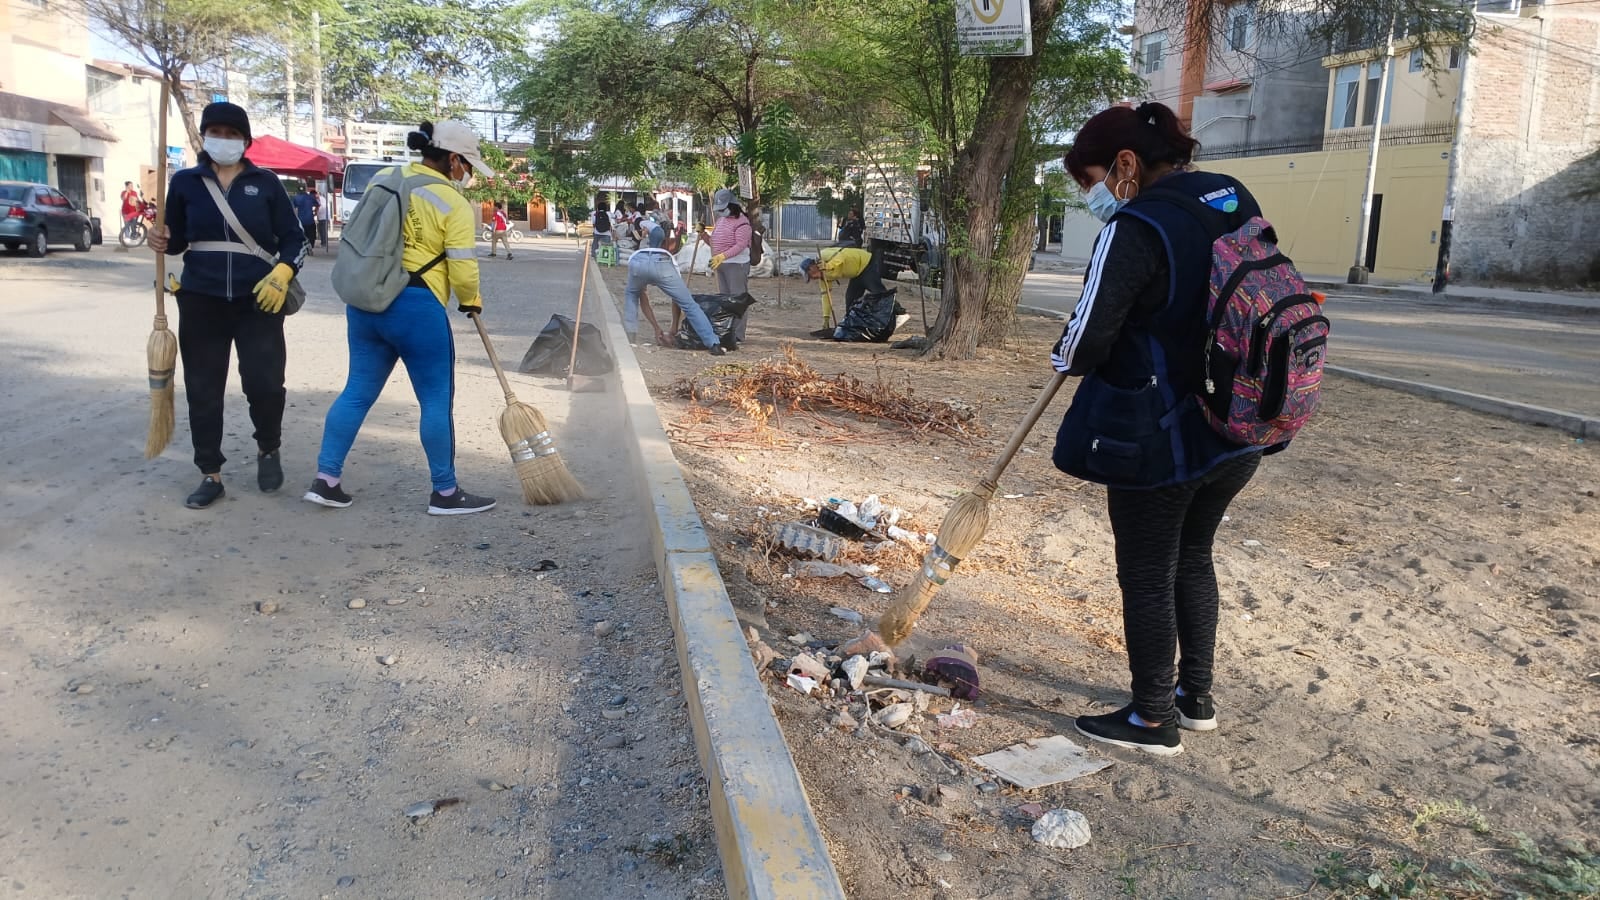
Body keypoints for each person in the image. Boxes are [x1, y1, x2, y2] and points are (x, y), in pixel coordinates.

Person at [1050, 101, 1277, 756]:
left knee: (1148, 571)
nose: (1093, 197)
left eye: (1091, 181)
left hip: (1161, 439)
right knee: (1193, 555)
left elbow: (1083, 344)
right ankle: (1193, 697)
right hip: (1237, 426)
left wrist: (1063, 354)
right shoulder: (1229, 195)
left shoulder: (1135, 226)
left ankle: (1152, 719)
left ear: (1125, 164)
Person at [303, 120, 497, 516]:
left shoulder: (383, 180)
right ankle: (445, 492)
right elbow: (463, 268)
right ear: (453, 159)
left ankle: (326, 480)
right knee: (435, 400)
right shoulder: (452, 202)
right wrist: (471, 301)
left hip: (368, 301)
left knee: (357, 392)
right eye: (467, 164)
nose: (468, 173)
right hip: (417, 308)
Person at [146, 101, 305, 509]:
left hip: (260, 299)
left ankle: (268, 447)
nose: (224, 140)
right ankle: (210, 473)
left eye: (233, 134)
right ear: (204, 136)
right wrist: (161, 238)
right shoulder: (185, 182)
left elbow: (294, 239)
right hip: (201, 299)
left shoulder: (266, 183)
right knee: (203, 389)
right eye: (216, 132)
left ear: (245, 141)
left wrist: (283, 272)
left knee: (265, 385)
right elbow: (177, 240)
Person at [623, 204, 724, 355]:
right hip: (662, 266)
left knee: (631, 295)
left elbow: (643, 299)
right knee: (690, 304)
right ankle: (713, 344)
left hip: (638, 263)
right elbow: (677, 299)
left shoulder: (641, 251)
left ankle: (630, 335)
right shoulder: (669, 258)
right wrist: (671, 327)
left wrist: (657, 328)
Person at [705, 187, 753, 341]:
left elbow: (740, 245)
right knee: (725, 300)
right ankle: (727, 331)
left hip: (737, 264)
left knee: (737, 299)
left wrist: (722, 256)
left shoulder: (742, 223)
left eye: (723, 208)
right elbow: (714, 242)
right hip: (722, 264)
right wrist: (703, 235)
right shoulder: (721, 221)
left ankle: (738, 334)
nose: (721, 212)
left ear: (732, 205)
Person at [801, 245, 889, 321]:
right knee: (851, 300)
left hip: (866, 263)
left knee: (878, 293)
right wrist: (826, 317)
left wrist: (828, 266)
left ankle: (892, 312)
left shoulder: (823, 255)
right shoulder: (823, 277)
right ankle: (852, 324)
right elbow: (826, 296)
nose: (812, 279)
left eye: (810, 276)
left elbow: (841, 256)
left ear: (811, 268)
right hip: (856, 273)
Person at [292, 184, 317, 256]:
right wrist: (315, 212)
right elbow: (317, 205)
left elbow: (293, 208)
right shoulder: (311, 197)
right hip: (310, 220)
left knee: (303, 235)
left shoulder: (296, 198)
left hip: (301, 220)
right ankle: (310, 247)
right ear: (305, 189)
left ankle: (305, 248)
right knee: (311, 235)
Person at [314, 184, 330, 249]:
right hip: (322, 217)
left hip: (323, 217)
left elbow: (319, 207)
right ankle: (323, 243)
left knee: (323, 231)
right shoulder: (322, 199)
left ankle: (324, 243)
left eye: (315, 195)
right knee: (321, 231)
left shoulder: (320, 199)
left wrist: (315, 213)